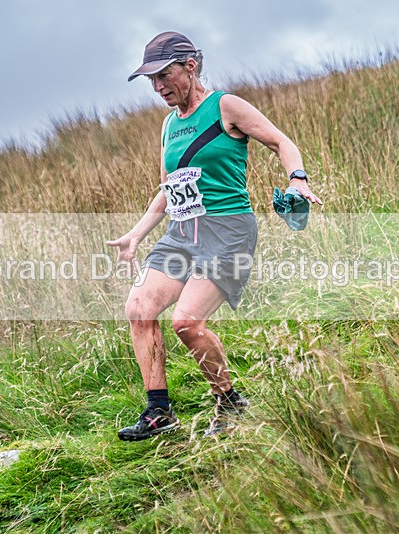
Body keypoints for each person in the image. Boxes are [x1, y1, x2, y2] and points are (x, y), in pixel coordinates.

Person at [107, 31, 322, 441]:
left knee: (186, 322)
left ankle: (229, 401)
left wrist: (297, 179)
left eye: (164, 75)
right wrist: (136, 234)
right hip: (182, 233)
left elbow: (281, 142)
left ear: (190, 66)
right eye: (151, 80)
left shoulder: (225, 106)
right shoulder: (169, 124)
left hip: (227, 233)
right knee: (139, 307)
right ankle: (159, 411)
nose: (158, 87)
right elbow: (168, 189)